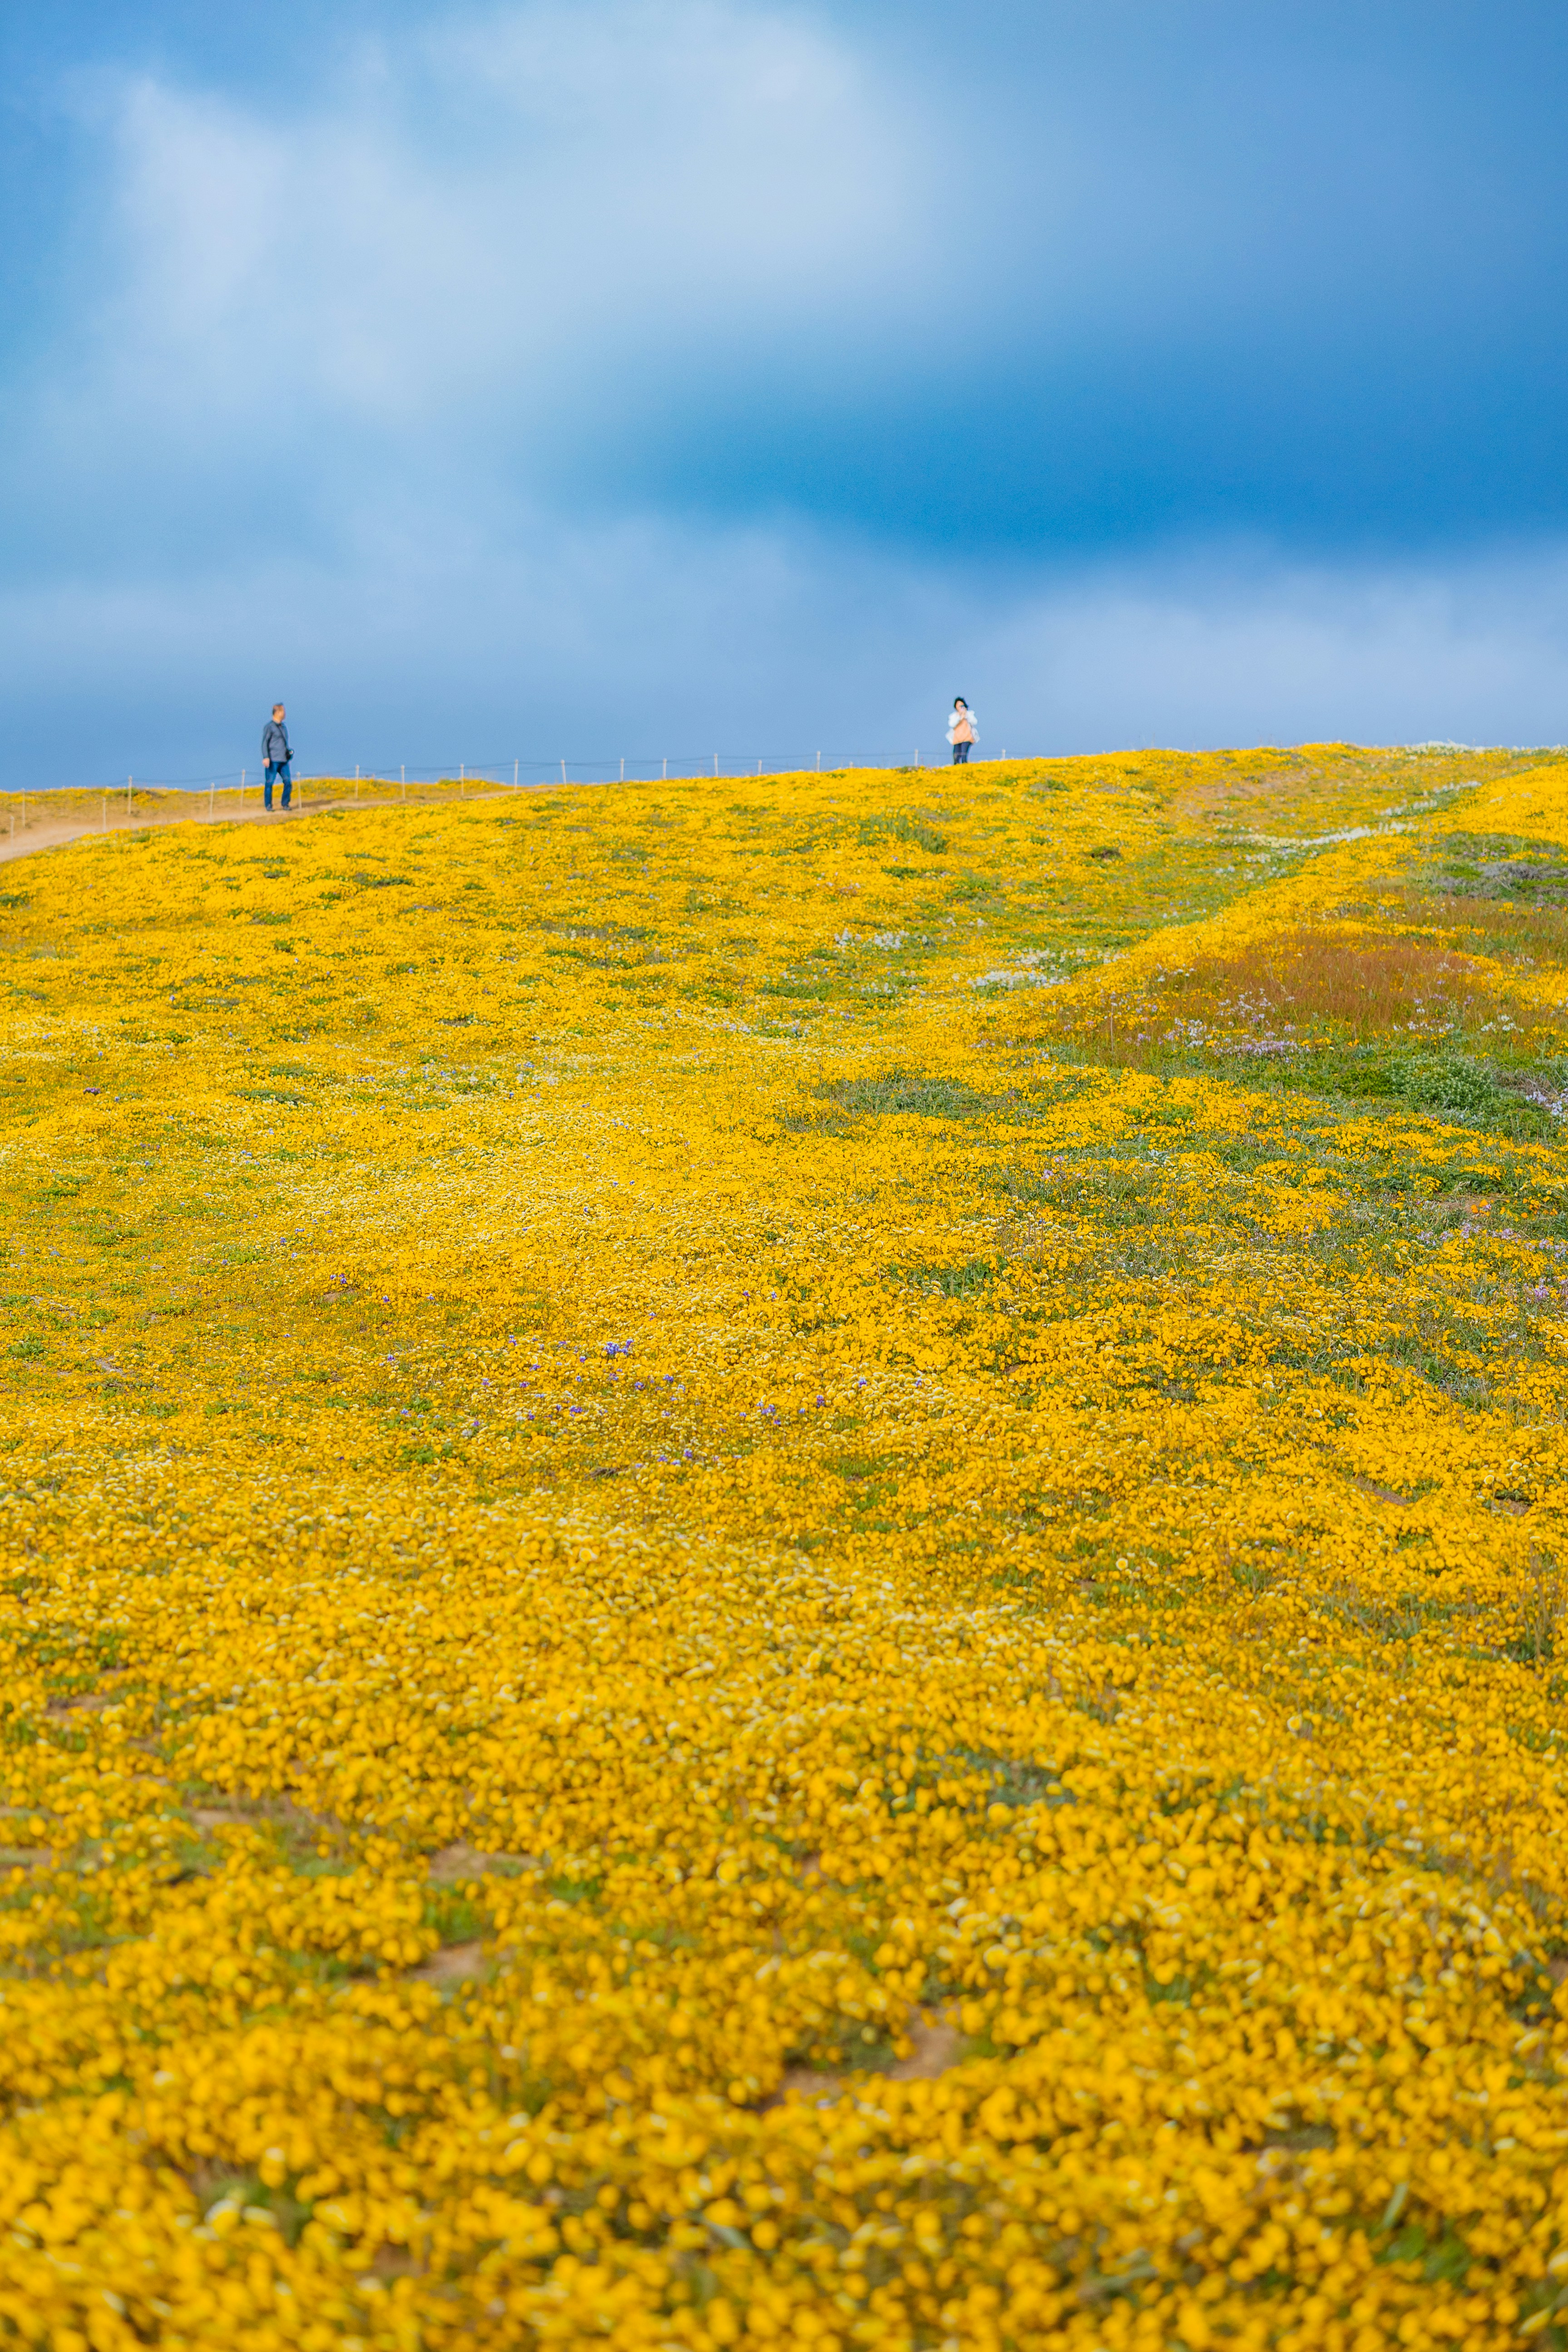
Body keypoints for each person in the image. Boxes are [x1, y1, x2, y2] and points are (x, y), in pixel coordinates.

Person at [262, 704, 293, 811]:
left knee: (288, 781)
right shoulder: (269, 727)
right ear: (278, 712)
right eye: (283, 711)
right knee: (270, 783)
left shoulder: (284, 727)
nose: (285, 714)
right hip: (273, 760)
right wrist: (266, 757)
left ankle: (285, 804)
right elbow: (265, 743)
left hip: (284, 760)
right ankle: (269, 805)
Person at [947, 697, 977, 765]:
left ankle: (965, 770)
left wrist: (966, 715)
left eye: (962, 706)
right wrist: (960, 717)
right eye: (959, 706)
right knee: (956, 758)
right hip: (957, 739)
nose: (961, 707)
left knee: (964, 757)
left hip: (967, 738)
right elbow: (952, 724)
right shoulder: (954, 716)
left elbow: (974, 722)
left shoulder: (969, 715)